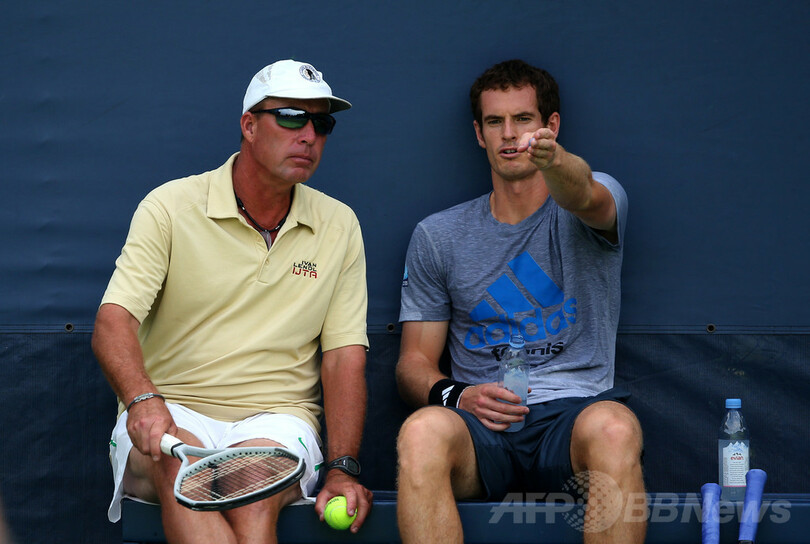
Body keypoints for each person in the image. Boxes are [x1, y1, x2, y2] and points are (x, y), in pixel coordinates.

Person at [92, 59, 372, 544]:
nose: (309, 135)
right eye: (291, 117)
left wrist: (342, 467)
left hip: (278, 420)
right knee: (179, 467)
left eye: (321, 123)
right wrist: (143, 400)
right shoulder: (170, 206)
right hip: (172, 407)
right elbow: (112, 322)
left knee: (253, 486)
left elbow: (343, 356)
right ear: (248, 125)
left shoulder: (340, 224)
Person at [395, 59, 646, 543]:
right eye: (495, 121)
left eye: (523, 119)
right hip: (480, 426)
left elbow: (584, 194)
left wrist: (555, 161)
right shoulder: (438, 235)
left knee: (615, 428)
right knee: (421, 432)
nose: (510, 134)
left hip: (571, 420)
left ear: (551, 125)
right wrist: (460, 395)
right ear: (479, 133)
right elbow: (412, 365)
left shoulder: (594, 199)